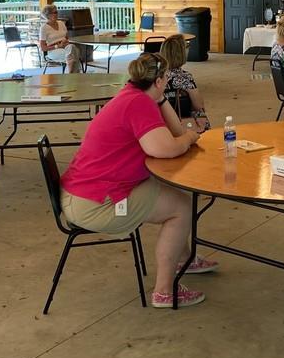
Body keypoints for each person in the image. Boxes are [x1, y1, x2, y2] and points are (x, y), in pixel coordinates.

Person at [60, 53, 210, 308]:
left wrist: (162, 99)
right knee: (181, 209)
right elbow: (166, 148)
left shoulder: (133, 96)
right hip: (96, 203)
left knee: (175, 197)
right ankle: (164, 291)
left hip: (86, 192)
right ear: (161, 80)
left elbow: (172, 132)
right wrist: (189, 138)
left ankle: (184, 258)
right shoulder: (137, 104)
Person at [159, 34, 210, 132]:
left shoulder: (156, 75)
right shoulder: (185, 77)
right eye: (186, 47)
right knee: (200, 112)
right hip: (183, 120)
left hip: (161, 121)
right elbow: (198, 105)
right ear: (181, 54)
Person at [39, 4, 81, 73]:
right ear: (48, 15)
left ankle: (72, 76)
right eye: (54, 12)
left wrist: (66, 42)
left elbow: (67, 38)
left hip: (66, 47)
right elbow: (43, 48)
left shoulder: (61, 23)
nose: (57, 14)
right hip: (53, 50)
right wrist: (58, 46)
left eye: (57, 12)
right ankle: (73, 76)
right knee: (73, 54)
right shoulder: (44, 28)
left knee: (72, 48)